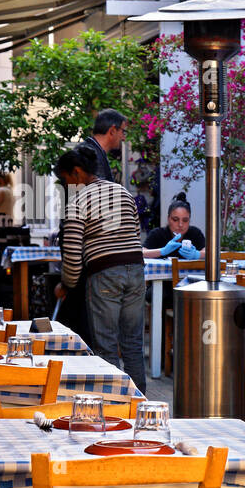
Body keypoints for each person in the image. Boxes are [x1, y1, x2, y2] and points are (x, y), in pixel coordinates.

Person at [54, 145, 147, 394]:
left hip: (105, 275)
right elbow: (134, 236)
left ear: (76, 172)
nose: (66, 185)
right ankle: (141, 406)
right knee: (133, 345)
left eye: (65, 179)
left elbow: (73, 257)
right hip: (136, 272)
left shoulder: (79, 201)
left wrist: (65, 285)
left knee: (106, 347)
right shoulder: (123, 193)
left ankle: (115, 408)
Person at [143, 192, 204, 259]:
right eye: (175, 219)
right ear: (168, 219)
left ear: (189, 220)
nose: (180, 225)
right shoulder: (157, 234)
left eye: (185, 220)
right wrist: (162, 251)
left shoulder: (195, 233)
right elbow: (141, 253)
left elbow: (212, 252)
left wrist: (197, 254)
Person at [77, 109, 127, 183]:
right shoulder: (88, 156)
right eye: (123, 132)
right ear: (112, 131)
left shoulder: (96, 151)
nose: (124, 138)